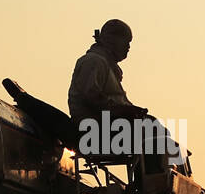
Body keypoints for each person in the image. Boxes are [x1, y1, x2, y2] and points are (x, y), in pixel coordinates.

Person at [67, 19, 181, 169]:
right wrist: (123, 111)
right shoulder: (93, 62)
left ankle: (159, 180)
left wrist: (133, 111)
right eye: (126, 41)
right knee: (153, 135)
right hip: (93, 131)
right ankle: (151, 187)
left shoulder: (108, 67)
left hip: (108, 127)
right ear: (111, 40)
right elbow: (92, 97)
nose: (128, 47)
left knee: (157, 130)